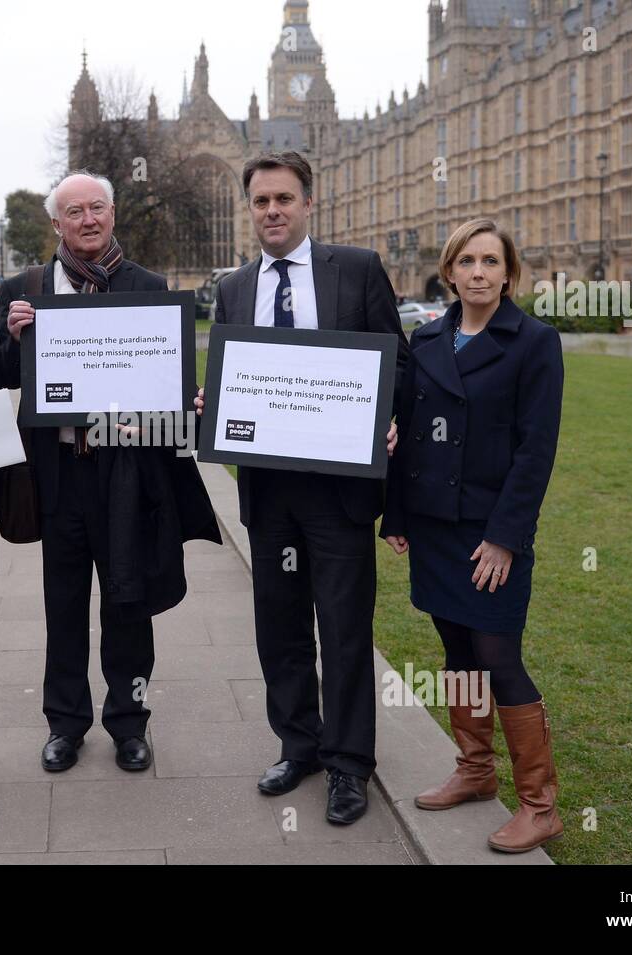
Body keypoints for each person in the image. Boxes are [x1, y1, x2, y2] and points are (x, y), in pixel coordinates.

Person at [195, 151, 407, 825]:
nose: (273, 211)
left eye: (284, 198)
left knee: (345, 628)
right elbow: (231, 378)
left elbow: (398, 356)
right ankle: (299, 744)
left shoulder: (358, 269)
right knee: (279, 627)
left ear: (309, 204)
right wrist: (213, 402)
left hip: (339, 487)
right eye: (261, 201)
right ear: (249, 209)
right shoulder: (234, 288)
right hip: (269, 491)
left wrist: (386, 410)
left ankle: (349, 764)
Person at [0, 171, 221, 774]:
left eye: (97, 208)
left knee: (129, 600)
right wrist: (13, 337)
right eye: (75, 212)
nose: (88, 219)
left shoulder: (148, 286)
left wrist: (180, 409)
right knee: (62, 604)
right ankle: (65, 725)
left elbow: (172, 386)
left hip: (126, 472)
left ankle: (129, 723)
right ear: (57, 224)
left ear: (113, 215)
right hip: (60, 471)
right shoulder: (25, 288)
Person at [380, 217, 564, 853]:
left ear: (508, 274)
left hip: (490, 531)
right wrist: (397, 516)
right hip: (434, 525)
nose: (479, 272)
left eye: (491, 261)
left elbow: (535, 450)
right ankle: (476, 771)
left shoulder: (533, 341)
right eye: (467, 261)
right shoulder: (427, 337)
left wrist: (506, 537)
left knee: (497, 656)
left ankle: (540, 804)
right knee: (457, 651)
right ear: (449, 272)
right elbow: (402, 432)